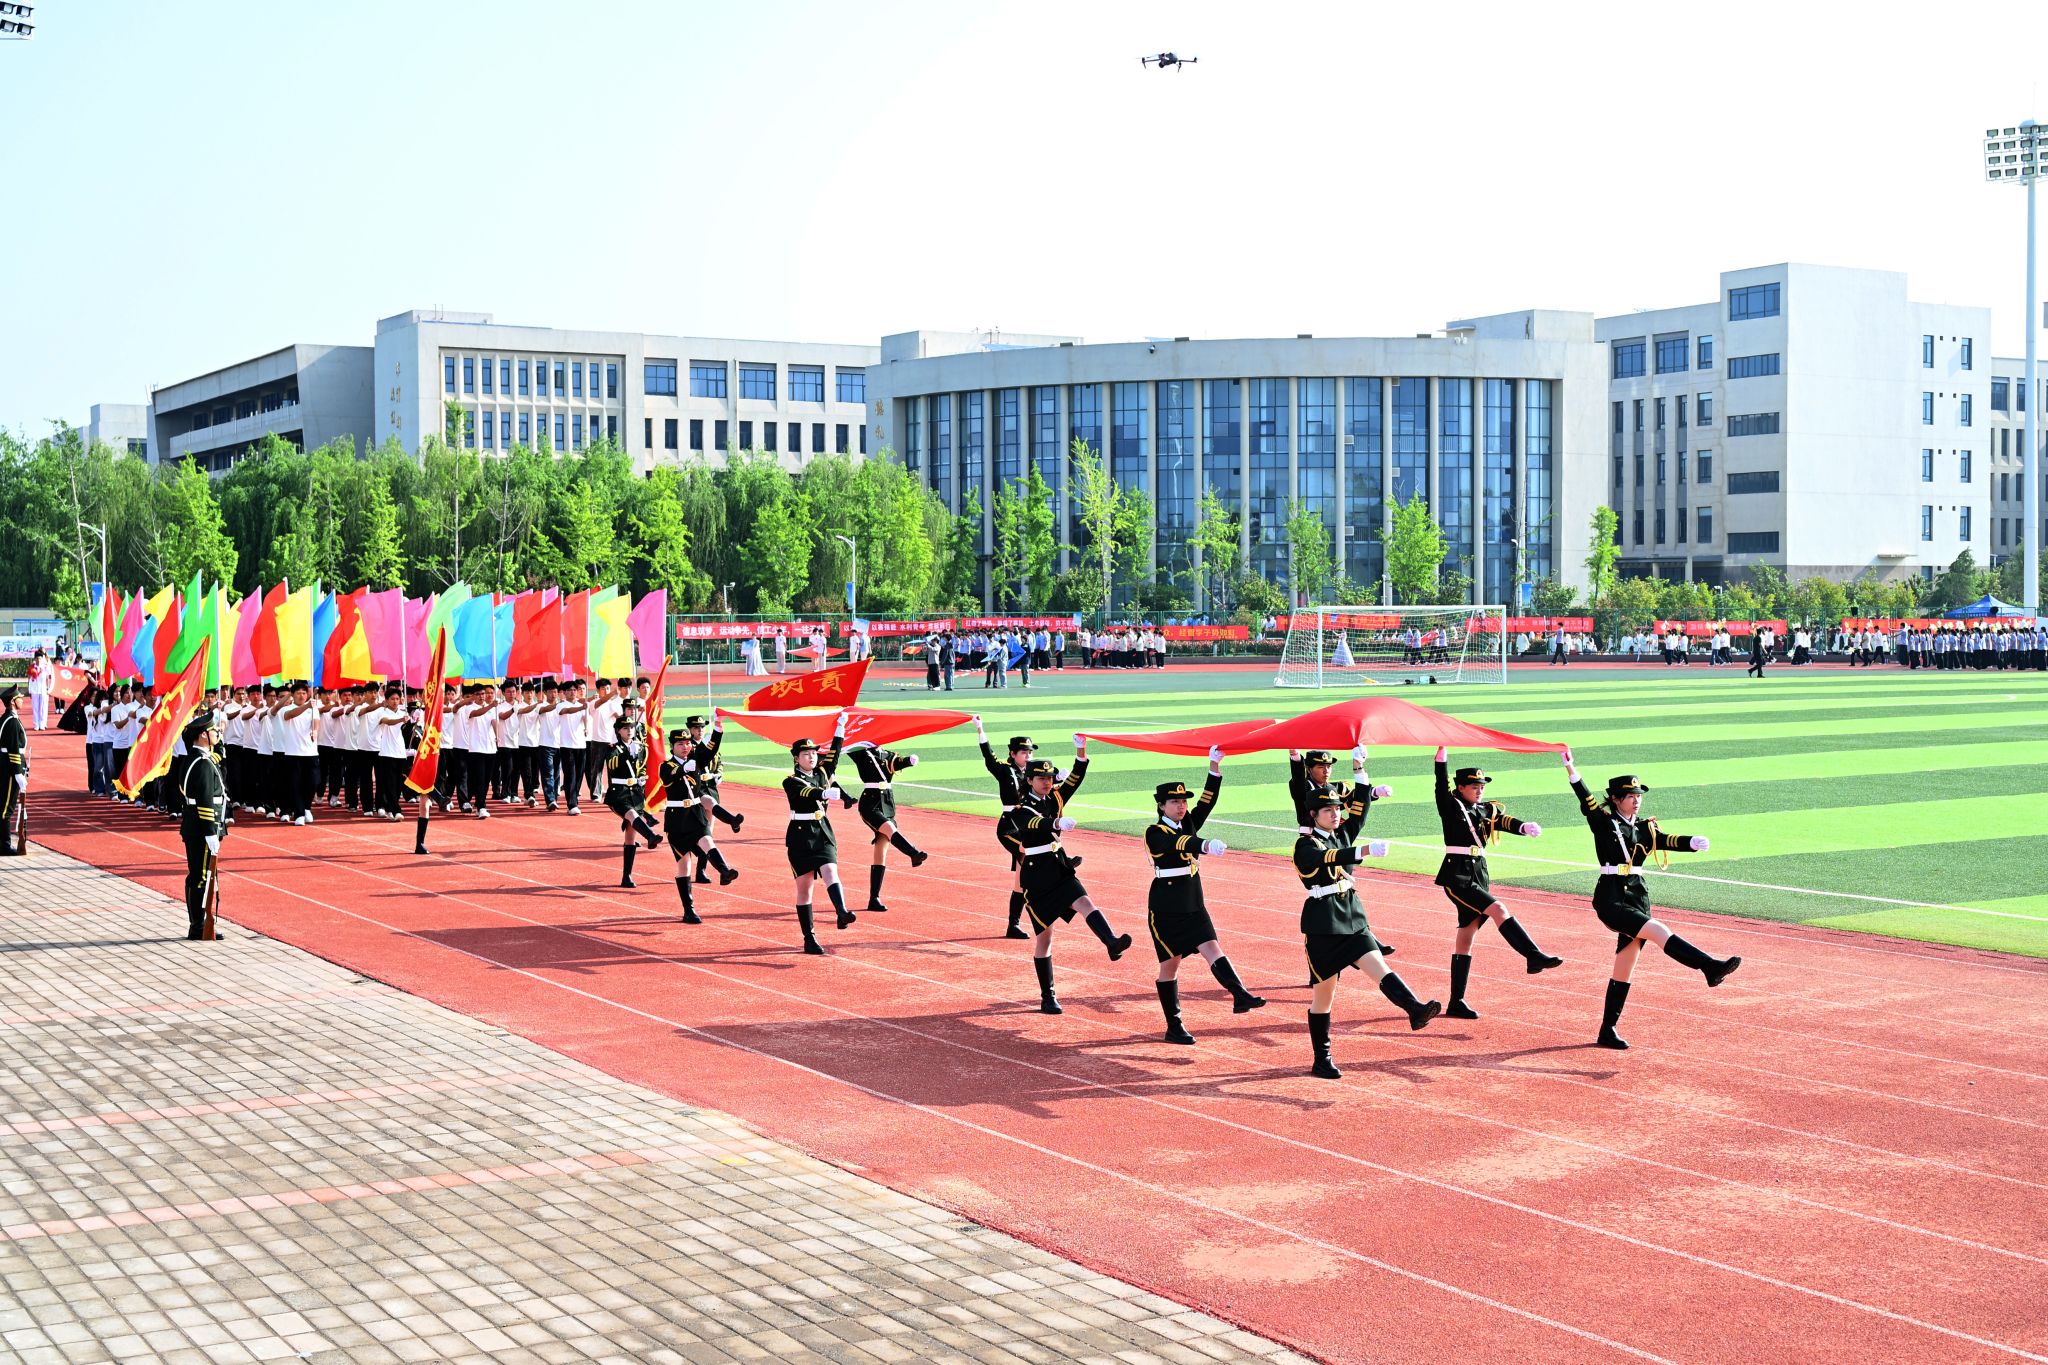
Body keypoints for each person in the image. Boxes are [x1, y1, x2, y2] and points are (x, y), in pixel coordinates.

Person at [1561, 751, 1739, 1050]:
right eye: (1631, 796)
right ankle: (1709, 966)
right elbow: (1585, 798)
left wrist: (1691, 843)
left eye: (1638, 795)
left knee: (1625, 965)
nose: (1636, 800)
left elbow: (1666, 840)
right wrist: (1570, 768)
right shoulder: (1603, 821)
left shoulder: (1645, 827)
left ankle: (1607, 1030)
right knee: (1657, 930)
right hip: (1611, 898)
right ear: (1616, 799)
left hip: (1638, 896)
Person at [1294, 786, 1438, 1079]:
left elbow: (1359, 812)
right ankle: (1322, 1059)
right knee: (1324, 998)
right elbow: (1329, 858)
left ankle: (1414, 1009)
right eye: (1328, 810)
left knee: (1379, 967)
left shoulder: (1341, 834)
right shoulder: (1305, 845)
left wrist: (1362, 773)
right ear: (1313, 814)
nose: (1335, 814)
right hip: (1324, 925)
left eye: (1337, 809)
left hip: (1352, 916)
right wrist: (1365, 850)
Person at [1000, 737, 1132, 1015]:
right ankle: (1048, 996)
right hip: (1036, 874)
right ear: (1029, 780)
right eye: (1041, 778)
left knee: (1085, 902)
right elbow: (1034, 823)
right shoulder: (1021, 807)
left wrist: (1081, 750)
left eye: (1049, 778)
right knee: (1045, 938)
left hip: (1059, 865)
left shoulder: (1055, 797)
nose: (1047, 782)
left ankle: (1111, 942)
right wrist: (1057, 822)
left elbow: (1075, 778)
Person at [1145, 747, 1263, 1045]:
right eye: (1175, 802)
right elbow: (1179, 843)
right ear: (1161, 805)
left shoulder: (1187, 822)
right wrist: (1205, 845)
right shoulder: (1154, 832)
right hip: (1167, 908)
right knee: (1170, 965)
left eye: (1183, 801)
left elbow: (1207, 801)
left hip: (1193, 902)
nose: (1181, 806)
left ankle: (1239, 994)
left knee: (1212, 947)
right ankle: (1174, 1025)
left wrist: (1214, 767)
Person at [1433, 747, 1561, 1019]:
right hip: (1457, 875)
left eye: (1482, 786)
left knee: (1466, 936)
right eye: (1474, 786)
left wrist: (1523, 827)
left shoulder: (1484, 808)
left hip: (1479, 873)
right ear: (1461, 787)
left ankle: (1456, 1001)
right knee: (1498, 909)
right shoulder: (1450, 805)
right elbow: (1440, 786)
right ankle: (1532, 955)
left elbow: (1502, 821)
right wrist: (1440, 762)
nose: (1479, 790)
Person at [1288, 747, 1395, 954]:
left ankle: (1364, 933)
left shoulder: (1335, 787)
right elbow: (1298, 779)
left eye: (1329, 766)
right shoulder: (1302, 785)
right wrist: (1294, 756)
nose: (1326, 771)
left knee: (1342, 884)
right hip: (1314, 838)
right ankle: (1357, 936)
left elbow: (1353, 802)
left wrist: (1370, 786)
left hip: (1334, 835)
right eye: (1321, 766)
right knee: (1327, 883)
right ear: (1309, 768)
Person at [784, 720, 858, 954]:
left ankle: (841, 911)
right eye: (806, 754)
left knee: (830, 872)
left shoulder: (823, 773)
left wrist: (840, 728)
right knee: (805, 888)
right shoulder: (790, 781)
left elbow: (834, 754)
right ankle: (809, 938)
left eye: (814, 753)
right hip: (800, 836)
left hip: (822, 831)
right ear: (796, 758)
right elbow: (805, 792)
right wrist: (824, 793)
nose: (812, 757)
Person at [658, 725, 738, 923]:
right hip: (677, 819)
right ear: (672, 746)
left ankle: (724, 871)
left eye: (687, 743)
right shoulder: (666, 766)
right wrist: (683, 768)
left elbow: (710, 749)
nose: (685, 747)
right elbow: (669, 776)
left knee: (707, 841)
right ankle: (689, 909)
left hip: (695, 813)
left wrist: (718, 729)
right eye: (680, 744)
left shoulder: (695, 759)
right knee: (684, 865)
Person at [847, 739, 929, 912]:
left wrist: (909, 761)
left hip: (887, 803)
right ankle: (913, 853)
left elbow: (898, 763)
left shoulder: (888, 755)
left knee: (881, 851)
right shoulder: (861, 752)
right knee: (890, 830)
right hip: (870, 803)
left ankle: (874, 899)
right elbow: (846, 747)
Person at [976, 718, 1039, 939]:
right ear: (1013, 754)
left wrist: (1059, 777)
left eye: (1030, 752)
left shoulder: (1032, 773)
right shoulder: (1004, 770)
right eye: (1023, 752)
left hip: (1026, 825)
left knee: (1021, 879)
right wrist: (980, 730)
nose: (1028, 756)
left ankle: (1013, 925)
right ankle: (1061, 862)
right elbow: (988, 757)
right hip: (1009, 827)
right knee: (1031, 851)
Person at [176, 707, 228, 938]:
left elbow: (220, 757)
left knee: (199, 875)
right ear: (203, 735)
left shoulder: (196, 758)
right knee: (202, 877)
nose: (217, 732)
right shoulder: (203, 764)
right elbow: (206, 799)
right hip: (203, 828)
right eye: (213, 730)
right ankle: (198, 926)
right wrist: (211, 832)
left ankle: (199, 923)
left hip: (194, 826)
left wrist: (220, 740)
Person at [678, 714, 744, 881]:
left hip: (710, 787)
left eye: (702, 727)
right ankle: (731, 820)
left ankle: (702, 871)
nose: (700, 730)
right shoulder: (688, 747)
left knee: (708, 833)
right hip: (697, 789)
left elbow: (718, 761)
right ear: (690, 729)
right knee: (706, 820)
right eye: (696, 728)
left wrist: (719, 773)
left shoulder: (709, 743)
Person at [603, 716, 663, 887]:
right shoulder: (613, 748)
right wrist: (628, 754)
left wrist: (641, 778)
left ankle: (626, 876)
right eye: (625, 728)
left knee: (630, 837)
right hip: (618, 794)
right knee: (631, 814)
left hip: (635, 794)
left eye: (631, 727)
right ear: (618, 731)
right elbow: (612, 764)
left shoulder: (640, 748)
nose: (629, 731)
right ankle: (650, 835)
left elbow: (642, 768)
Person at [0, 685, 25, 854]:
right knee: (6, 808)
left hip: (5, 765)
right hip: (10, 768)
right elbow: (14, 749)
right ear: (12, 702)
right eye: (19, 698)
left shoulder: (6, 718)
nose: (22, 700)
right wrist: (18, 772)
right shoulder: (12, 721)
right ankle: (4, 845)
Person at [26, 649, 49, 730]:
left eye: (40, 658)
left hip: (43, 690)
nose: (39, 660)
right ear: (35, 659)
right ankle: (36, 724)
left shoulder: (45, 667)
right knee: (35, 708)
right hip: (34, 690)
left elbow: (48, 678)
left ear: (42, 659)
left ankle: (42, 724)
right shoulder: (32, 667)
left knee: (43, 708)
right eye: (37, 658)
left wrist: (48, 689)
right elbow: (29, 679)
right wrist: (29, 690)